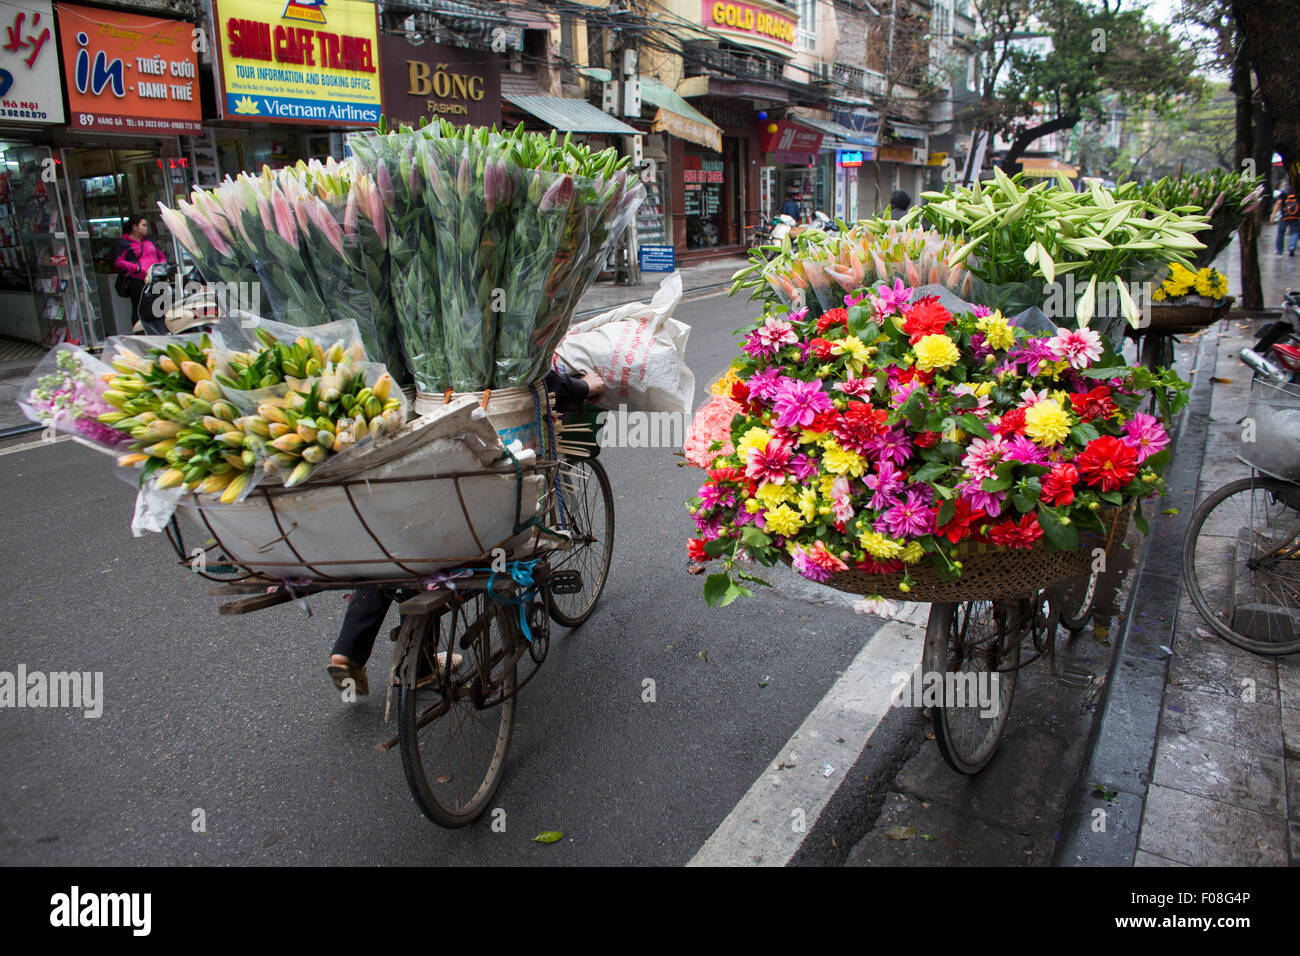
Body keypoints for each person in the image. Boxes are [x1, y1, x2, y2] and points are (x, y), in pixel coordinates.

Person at [326, 368, 606, 695]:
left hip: (421, 441)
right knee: (455, 542)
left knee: (408, 536)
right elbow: (528, 372)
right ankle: (421, 665)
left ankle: (349, 649)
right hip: (485, 454)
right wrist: (583, 386)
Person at [114, 216, 169, 334]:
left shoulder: (150, 240)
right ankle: (140, 333)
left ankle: (162, 331)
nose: (146, 228)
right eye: (143, 225)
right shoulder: (124, 243)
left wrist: (162, 266)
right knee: (140, 308)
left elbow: (161, 255)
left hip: (156, 278)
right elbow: (118, 261)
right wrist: (136, 268)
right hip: (138, 280)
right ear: (134, 227)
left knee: (160, 306)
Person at [1276, 185, 1299, 257]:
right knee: (1294, 232)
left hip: (1284, 216)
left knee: (1280, 233)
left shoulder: (1285, 190)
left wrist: (1273, 214)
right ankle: (1292, 247)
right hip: (1296, 216)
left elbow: (1279, 202)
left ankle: (1279, 251)